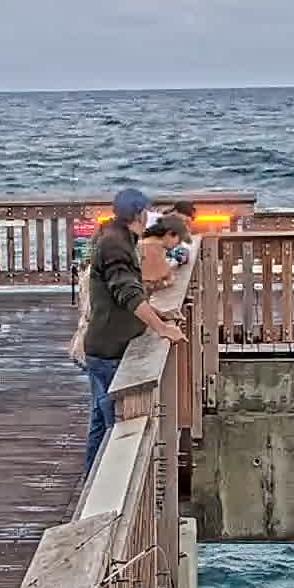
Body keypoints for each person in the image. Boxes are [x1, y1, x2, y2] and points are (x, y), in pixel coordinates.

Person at [82, 188, 186, 474]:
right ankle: (103, 484)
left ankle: (92, 478)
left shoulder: (119, 238)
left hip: (106, 347)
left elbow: (130, 293)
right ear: (140, 215)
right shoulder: (115, 245)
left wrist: (159, 313)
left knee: (101, 421)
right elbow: (127, 294)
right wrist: (162, 328)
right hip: (109, 351)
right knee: (114, 425)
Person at [138, 219, 183, 291]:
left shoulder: (141, 243)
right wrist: (167, 282)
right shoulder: (154, 247)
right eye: (179, 240)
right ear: (169, 233)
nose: (177, 244)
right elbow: (155, 282)